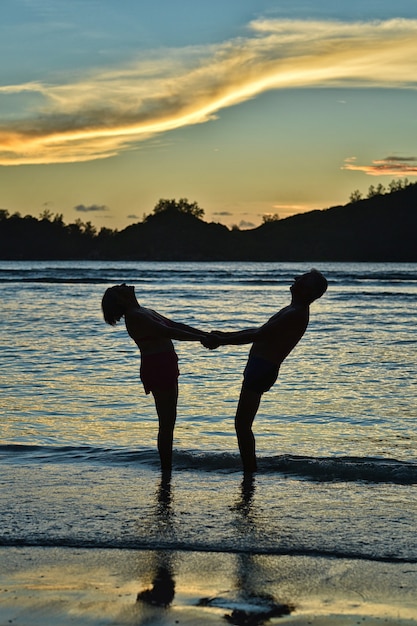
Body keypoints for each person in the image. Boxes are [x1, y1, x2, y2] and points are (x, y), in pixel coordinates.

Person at [202, 269, 328, 472]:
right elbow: (260, 333)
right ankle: (249, 470)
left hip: (262, 369)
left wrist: (223, 340)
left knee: (242, 425)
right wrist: (223, 336)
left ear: (307, 290)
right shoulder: (292, 309)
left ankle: (250, 472)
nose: (295, 279)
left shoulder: (295, 313)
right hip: (260, 367)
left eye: (302, 279)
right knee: (242, 424)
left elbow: (259, 334)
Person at [102, 283, 209, 471]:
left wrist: (205, 334)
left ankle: (166, 468)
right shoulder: (135, 317)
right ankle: (166, 470)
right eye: (120, 287)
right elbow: (169, 332)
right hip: (157, 367)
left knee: (169, 420)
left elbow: (174, 325)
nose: (125, 285)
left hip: (165, 364)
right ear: (120, 299)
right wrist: (203, 339)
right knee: (166, 423)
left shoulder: (144, 311)